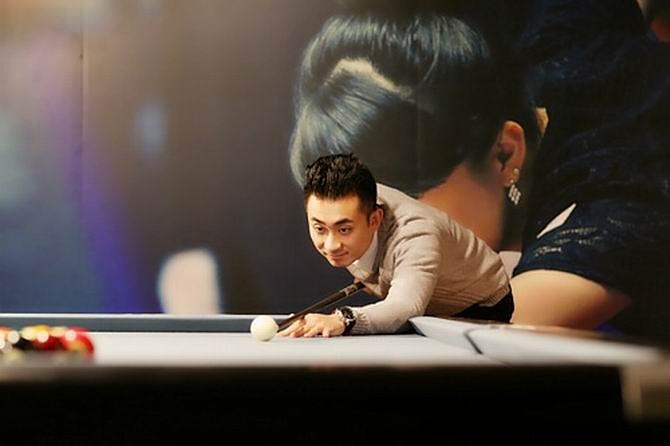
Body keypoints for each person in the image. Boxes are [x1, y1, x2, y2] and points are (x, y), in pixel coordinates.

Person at [287, 0, 670, 339]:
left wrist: (348, 319)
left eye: (402, 203)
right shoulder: (510, 41)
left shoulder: (616, 207)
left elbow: (454, 331)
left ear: (504, 154)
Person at [279, 153, 512, 337]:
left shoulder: (416, 233)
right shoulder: (350, 199)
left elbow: (405, 306)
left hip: (482, 303)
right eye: (320, 228)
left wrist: (343, 319)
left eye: (344, 230)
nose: (331, 245)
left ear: (374, 220)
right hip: (428, 301)